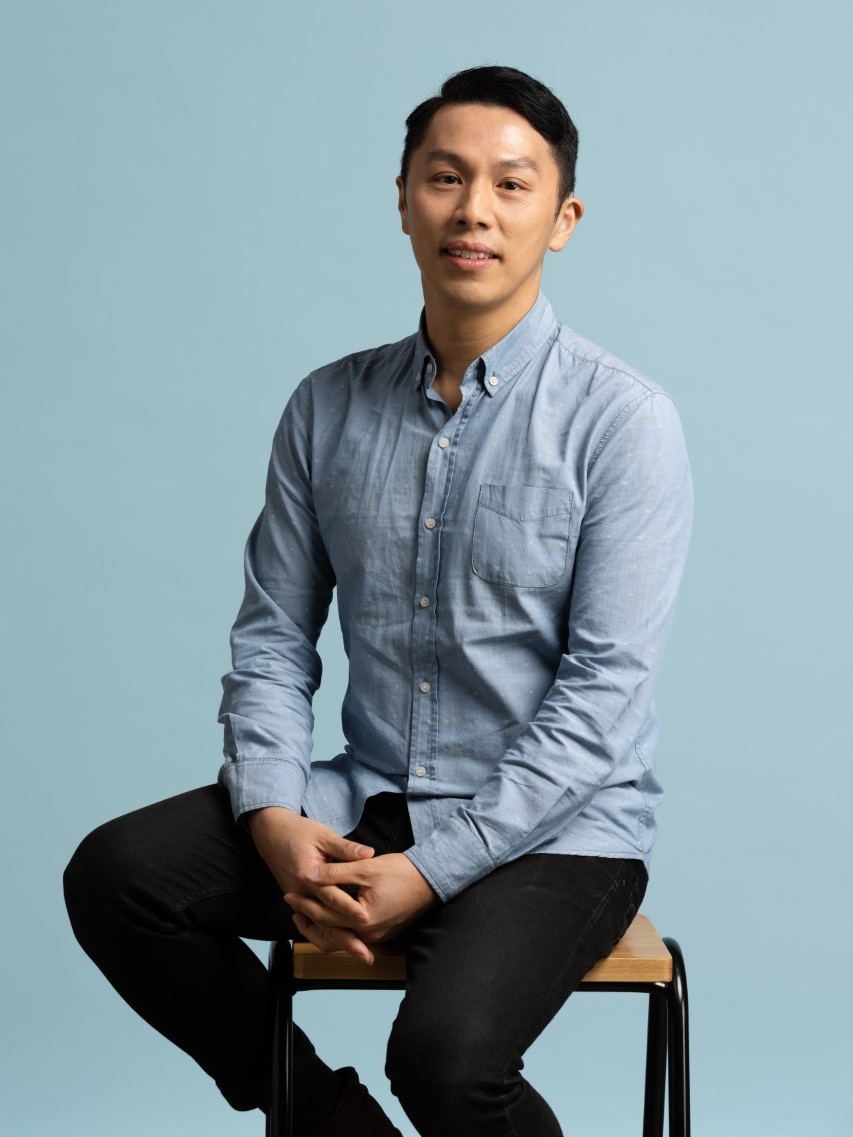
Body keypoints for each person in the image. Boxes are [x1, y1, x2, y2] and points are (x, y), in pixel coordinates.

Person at [64, 65, 692, 1136]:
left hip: (558, 836)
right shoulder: (327, 406)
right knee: (118, 878)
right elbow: (271, 640)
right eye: (445, 179)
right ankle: (331, 1128)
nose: (474, 211)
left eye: (510, 184)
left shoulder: (621, 421)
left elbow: (603, 700)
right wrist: (270, 814)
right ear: (403, 197)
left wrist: (428, 872)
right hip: (363, 796)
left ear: (563, 217)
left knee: (446, 1062)